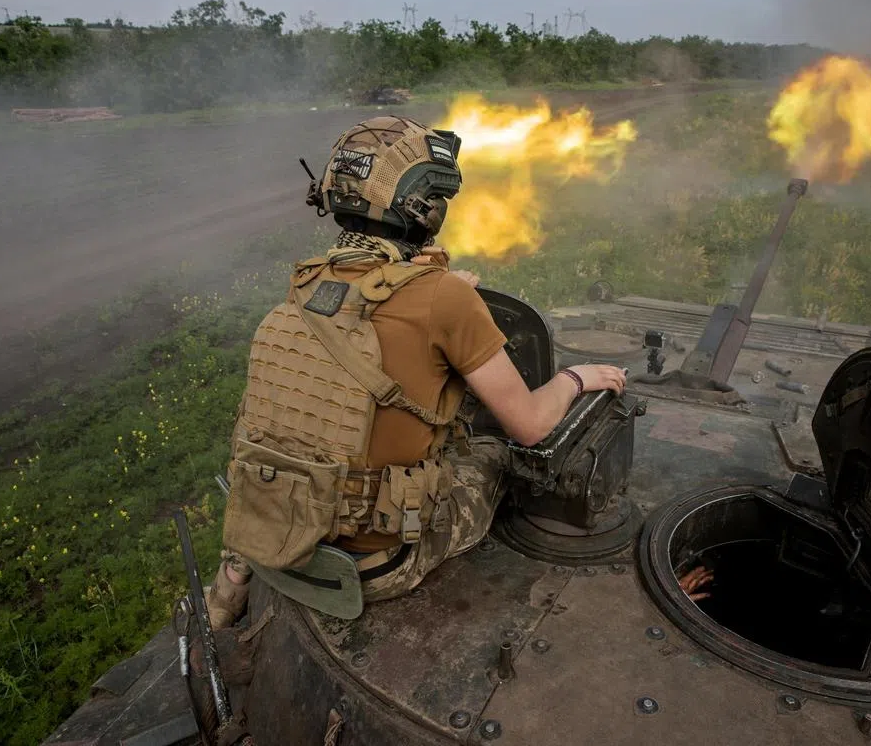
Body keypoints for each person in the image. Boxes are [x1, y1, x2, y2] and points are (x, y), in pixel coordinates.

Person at [206, 115, 627, 628]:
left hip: (283, 530)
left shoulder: (308, 282)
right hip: (376, 568)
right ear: (426, 209)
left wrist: (442, 284)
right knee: (496, 451)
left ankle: (231, 580)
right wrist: (577, 378)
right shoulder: (444, 298)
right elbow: (533, 424)